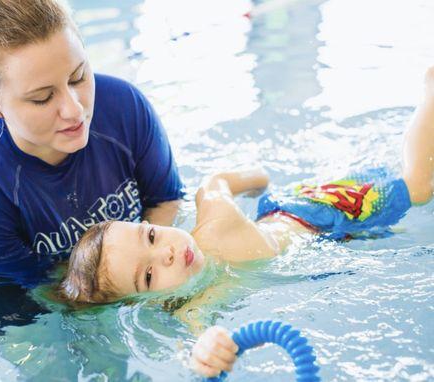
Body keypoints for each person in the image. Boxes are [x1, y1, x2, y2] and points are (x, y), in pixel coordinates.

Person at [58, 67, 434, 377]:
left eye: (153, 236)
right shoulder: (194, 303)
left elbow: (217, 182)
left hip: (319, 212)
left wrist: (259, 183)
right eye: (150, 277)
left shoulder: (216, 224)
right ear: (145, 301)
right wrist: (203, 353)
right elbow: (193, 341)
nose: (167, 254)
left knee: (419, 185)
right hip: (313, 226)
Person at [0, 0, 184, 285]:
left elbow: (167, 201)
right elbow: (15, 294)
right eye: (42, 98)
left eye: (78, 77)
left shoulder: (123, 107)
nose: (75, 110)